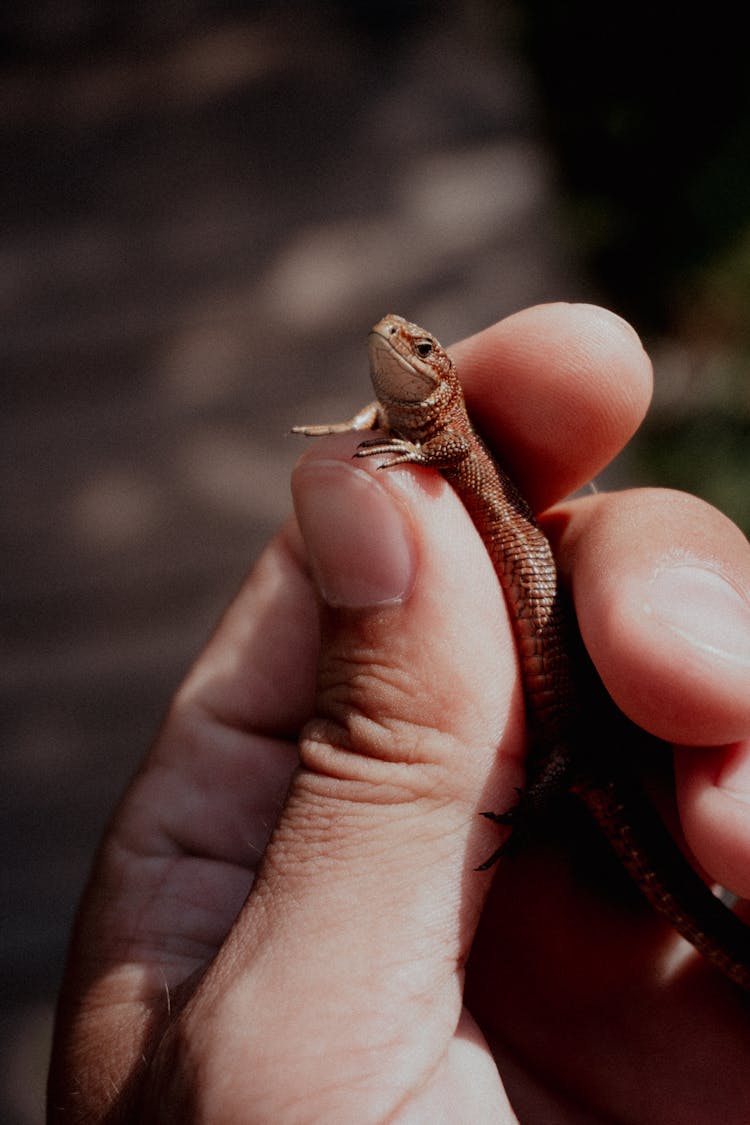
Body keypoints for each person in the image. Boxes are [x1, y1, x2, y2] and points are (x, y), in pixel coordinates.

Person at [47, 303, 750, 1123]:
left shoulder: (448, 433)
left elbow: (450, 452)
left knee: (595, 769)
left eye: (416, 346)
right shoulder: (414, 430)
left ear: (443, 380)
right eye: (393, 342)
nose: (391, 343)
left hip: (576, 743)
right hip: (559, 734)